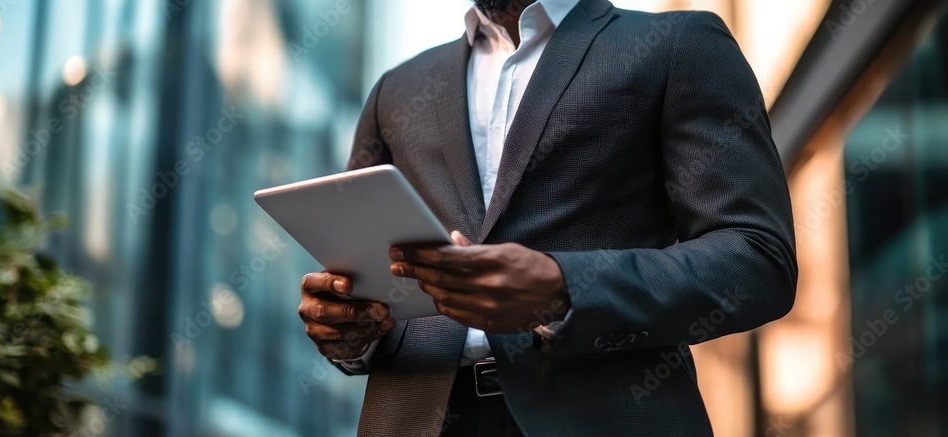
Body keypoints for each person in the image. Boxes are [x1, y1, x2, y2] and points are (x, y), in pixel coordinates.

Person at [297, 0, 797, 435]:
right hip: (415, 418)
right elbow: (356, 269)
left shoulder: (679, 45)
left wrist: (563, 289)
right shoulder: (397, 90)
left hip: (609, 417)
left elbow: (756, 257)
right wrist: (349, 332)